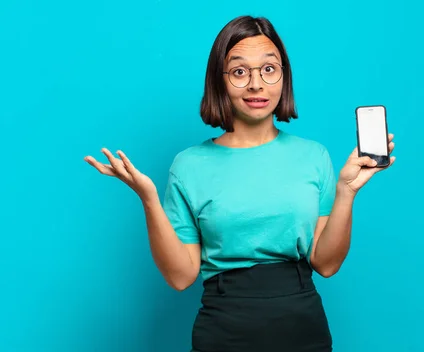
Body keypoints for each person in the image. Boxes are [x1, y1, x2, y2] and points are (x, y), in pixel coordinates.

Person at [84, 15, 395, 352]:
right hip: (223, 330)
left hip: (302, 327)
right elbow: (180, 276)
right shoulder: (188, 165)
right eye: (239, 71)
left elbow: (327, 263)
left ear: (283, 77)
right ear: (220, 80)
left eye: (269, 69)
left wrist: (347, 192)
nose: (256, 84)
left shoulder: (313, 156)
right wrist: (149, 200)